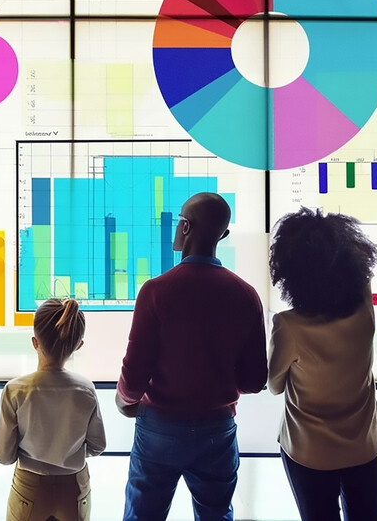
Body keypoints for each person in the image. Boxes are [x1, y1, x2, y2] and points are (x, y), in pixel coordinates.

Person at [116, 191, 267, 521]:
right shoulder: (246, 295)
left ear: (186, 227)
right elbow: (255, 380)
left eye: (178, 220)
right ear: (222, 236)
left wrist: (124, 401)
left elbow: (135, 370)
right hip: (218, 428)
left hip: (159, 427)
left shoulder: (156, 291)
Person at [267, 208, 377, 521]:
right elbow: (363, 274)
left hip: (309, 451)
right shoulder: (363, 307)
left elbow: (275, 385)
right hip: (364, 444)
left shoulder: (289, 326)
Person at [0, 297, 106, 521]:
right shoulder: (86, 390)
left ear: (35, 342)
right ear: (78, 345)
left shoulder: (15, 390)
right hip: (75, 488)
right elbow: (98, 445)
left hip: (30, 488)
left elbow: (5, 456)